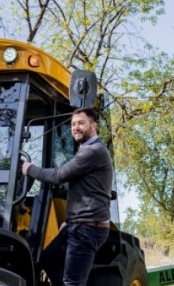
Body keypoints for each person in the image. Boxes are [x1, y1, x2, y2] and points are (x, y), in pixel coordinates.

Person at [22, 108, 113, 286]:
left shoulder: (92, 151)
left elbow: (59, 175)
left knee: (73, 282)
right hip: (79, 224)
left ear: (93, 126)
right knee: (49, 258)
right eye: (73, 124)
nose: (76, 127)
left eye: (81, 123)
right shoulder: (87, 150)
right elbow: (84, 191)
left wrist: (30, 169)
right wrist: (70, 220)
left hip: (87, 229)